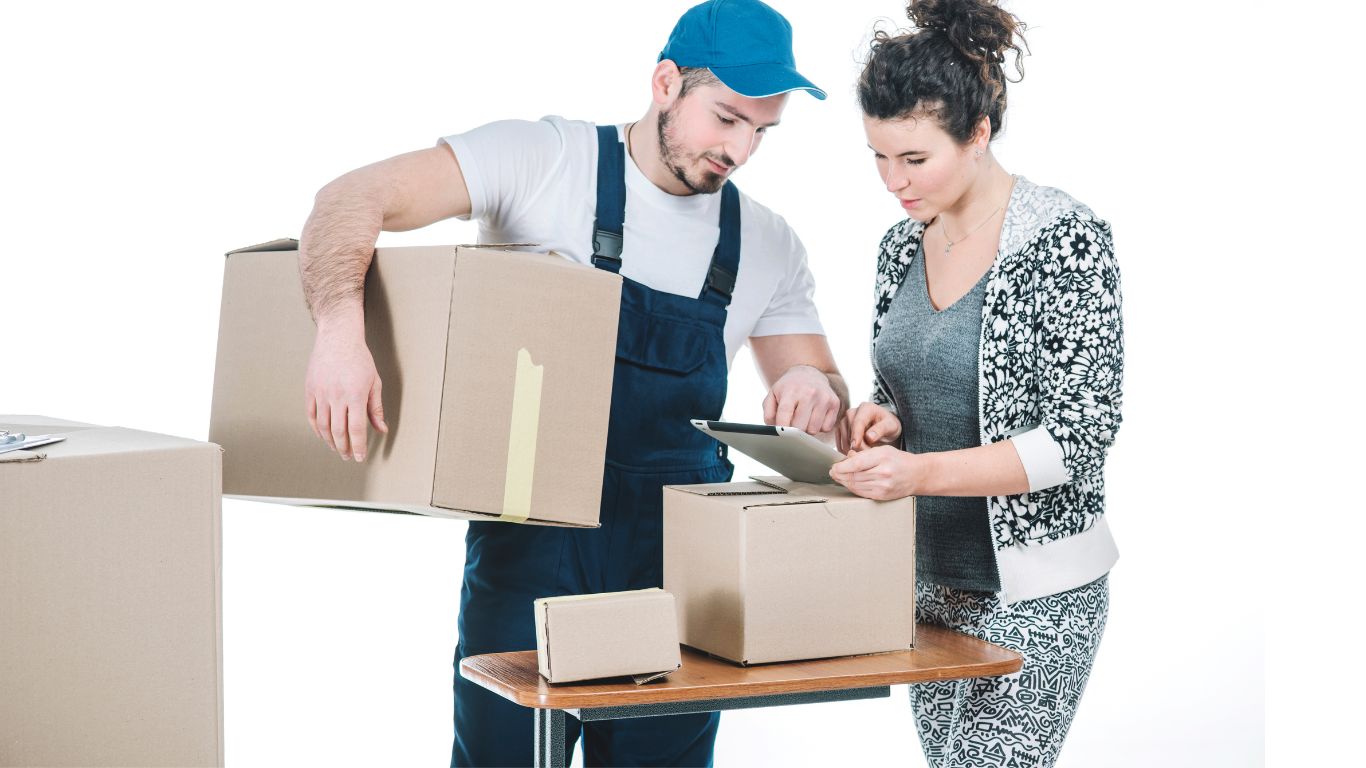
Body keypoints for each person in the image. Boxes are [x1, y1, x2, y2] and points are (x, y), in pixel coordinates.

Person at [296, 1, 847, 765]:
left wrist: (819, 390)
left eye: (762, 131)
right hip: (533, 549)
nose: (742, 150)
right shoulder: (544, 160)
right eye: (726, 119)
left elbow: (819, 384)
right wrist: (338, 332)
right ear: (664, 83)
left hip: (676, 568)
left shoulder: (767, 243)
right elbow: (348, 200)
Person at [830, 0, 1124, 765]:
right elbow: (907, 386)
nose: (893, 181)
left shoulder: (1064, 240)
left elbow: (1079, 437)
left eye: (915, 160)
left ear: (980, 133)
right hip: (931, 588)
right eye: (878, 157)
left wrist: (918, 471)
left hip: (1038, 594)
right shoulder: (900, 246)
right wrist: (884, 420)